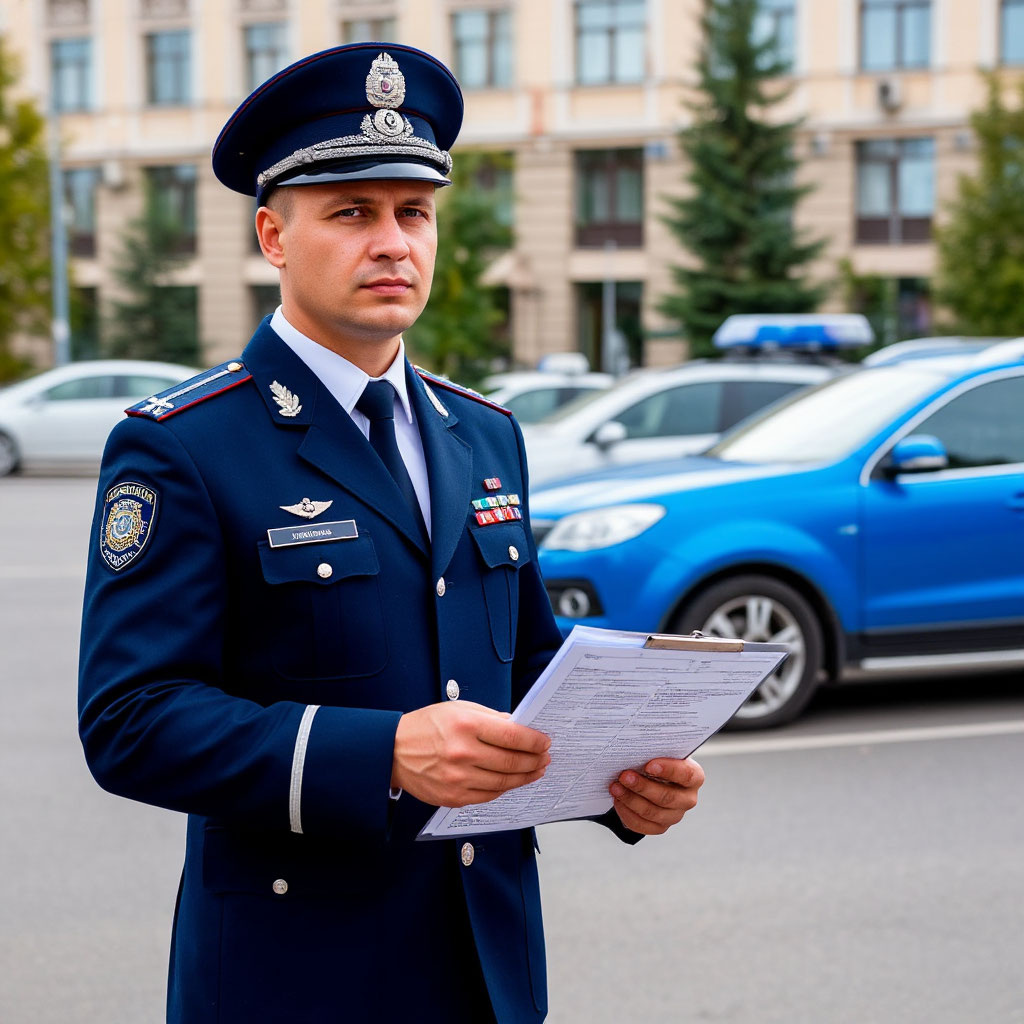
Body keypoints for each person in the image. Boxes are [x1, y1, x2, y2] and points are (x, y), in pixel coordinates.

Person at [78, 42, 705, 1024]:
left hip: (484, 964)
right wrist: (379, 754)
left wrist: (618, 782)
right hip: (295, 974)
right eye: (351, 213)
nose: (392, 243)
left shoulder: (484, 433)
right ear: (274, 238)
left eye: (413, 213)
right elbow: (131, 720)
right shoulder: (187, 446)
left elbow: (527, 671)